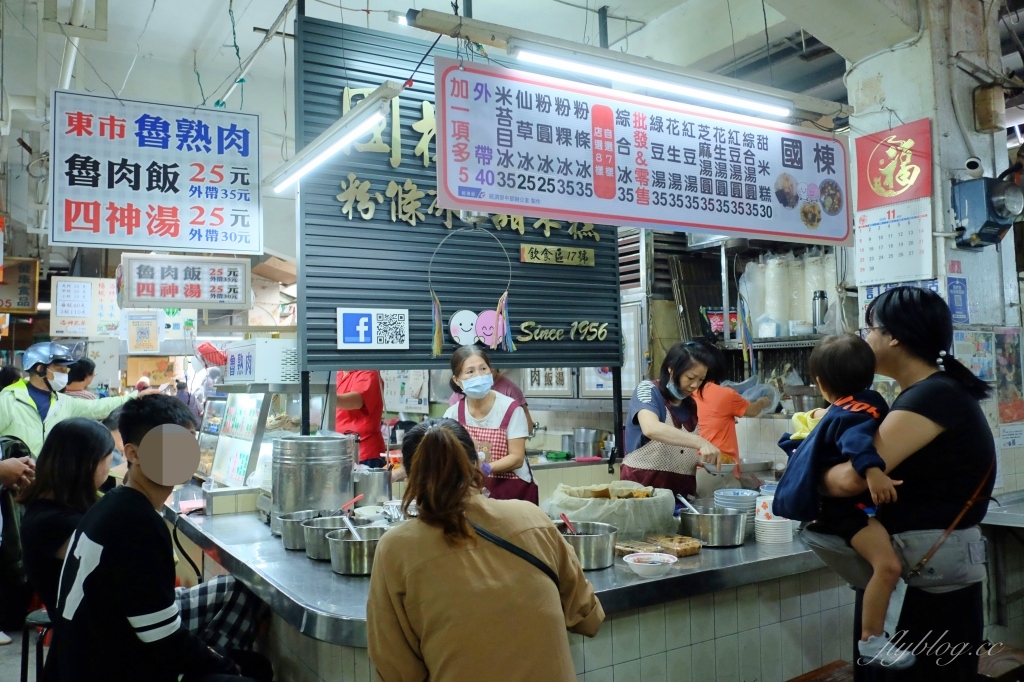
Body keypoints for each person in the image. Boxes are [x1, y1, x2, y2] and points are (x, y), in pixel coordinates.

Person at [822, 287, 996, 680]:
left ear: (893, 336)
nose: (865, 338)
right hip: (932, 573)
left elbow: (851, 481)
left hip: (926, 584)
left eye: (869, 328)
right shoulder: (934, 392)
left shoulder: (930, 397)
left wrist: (808, 476)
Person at [49, 394, 269, 682]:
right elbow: (161, 637)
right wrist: (224, 665)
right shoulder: (137, 523)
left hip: (87, 661)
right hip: (109, 670)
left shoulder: (116, 504)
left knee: (249, 663)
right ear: (133, 454)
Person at [367, 419, 604, 681]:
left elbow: (396, 671)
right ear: (477, 465)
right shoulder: (533, 518)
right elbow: (588, 616)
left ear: (410, 477)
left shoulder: (396, 549)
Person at [773, 335, 911, 669]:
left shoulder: (842, 407)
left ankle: (876, 638)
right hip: (841, 510)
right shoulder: (864, 405)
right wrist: (874, 471)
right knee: (889, 566)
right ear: (870, 374)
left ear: (820, 383)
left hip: (834, 509)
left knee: (887, 569)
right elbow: (855, 439)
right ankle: (873, 642)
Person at [19, 418, 113, 615]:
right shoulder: (58, 524)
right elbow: (120, 565)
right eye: (110, 458)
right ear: (89, 464)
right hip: (90, 630)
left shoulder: (51, 509)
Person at [0, 342, 152, 457]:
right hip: (12, 482)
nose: (64, 375)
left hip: (46, 482)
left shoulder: (63, 402)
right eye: (60, 370)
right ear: (40, 369)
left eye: (66, 371)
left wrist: (136, 397)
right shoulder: (9, 399)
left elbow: (98, 407)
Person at [620, 341, 722, 500]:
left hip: (680, 496)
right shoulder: (648, 390)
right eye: (690, 377)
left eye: (701, 380)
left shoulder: (691, 404)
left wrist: (705, 460)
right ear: (671, 368)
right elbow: (651, 428)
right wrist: (701, 442)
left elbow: (677, 451)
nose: (694, 385)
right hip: (642, 493)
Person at [443, 346, 535, 503]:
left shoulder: (511, 408)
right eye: (470, 372)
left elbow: (517, 457)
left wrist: (485, 468)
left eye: (483, 368)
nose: (478, 376)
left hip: (512, 494)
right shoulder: (452, 415)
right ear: (457, 380)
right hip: (470, 494)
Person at [691, 339, 771, 467]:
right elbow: (752, 411)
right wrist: (762, 402)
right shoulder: (724, 394)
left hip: (690, 466)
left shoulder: (685, 392)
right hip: (719, 468)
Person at [447, 367, 534, 436]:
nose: (479, 374)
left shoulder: (510, 390)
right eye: (471, 371)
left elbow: (527, 427)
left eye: (484, 368)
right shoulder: (463, 391)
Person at [335, 370, 387, 467]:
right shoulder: (338, 375)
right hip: (341, 452)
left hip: (365, 455)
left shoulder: (368, 373)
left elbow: (357, 400)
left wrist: (328, 397)